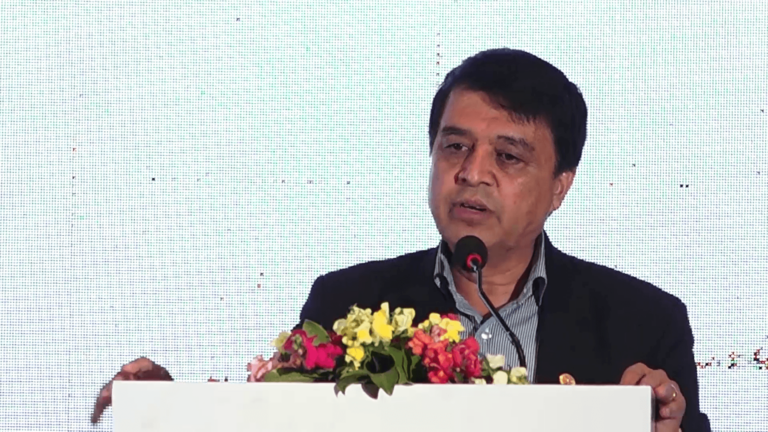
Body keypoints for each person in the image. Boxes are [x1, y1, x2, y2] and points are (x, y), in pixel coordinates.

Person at [92, 48, 710, 431]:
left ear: (559, 187)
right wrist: (170, 413)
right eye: (455, 146)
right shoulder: (346, 302)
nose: (472, 173)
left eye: (508, 156)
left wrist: (668, 428)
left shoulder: (643, 321)